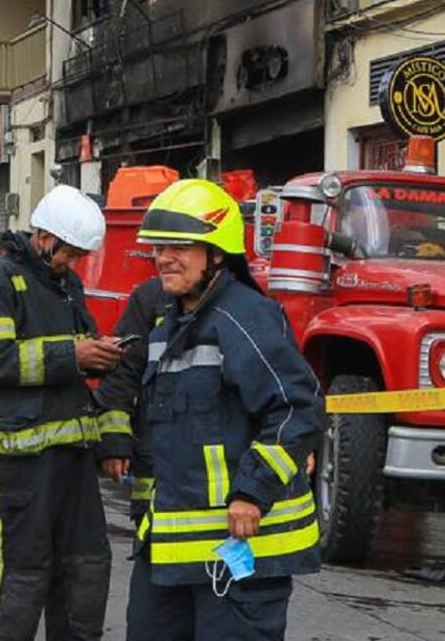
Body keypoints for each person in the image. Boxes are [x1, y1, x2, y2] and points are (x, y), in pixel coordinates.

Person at [126, 179, 324, 640]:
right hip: (171, 551)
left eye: (181, 247)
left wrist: (252, 493)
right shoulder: (168, 326)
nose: (164, 258)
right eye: (159, 247)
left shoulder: (245, 317)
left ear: (217, 254)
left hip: (239, 553)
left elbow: (297, 407)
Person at [0, 185, 123, 641]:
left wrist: (100, 351)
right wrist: (74, 356)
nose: (73, 265)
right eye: (69, 254)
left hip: (70, 462)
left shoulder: (66, 285)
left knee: (85, 573)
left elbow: (79, 346)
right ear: (44, 237)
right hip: (13, 467)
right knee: (19, 580)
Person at [95, 276, 171, 525]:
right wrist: (115, 441)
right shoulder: (151, 296)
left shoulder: (242, 306)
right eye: (161, 250)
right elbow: (122, 374)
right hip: (153, 462)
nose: (165, 259)